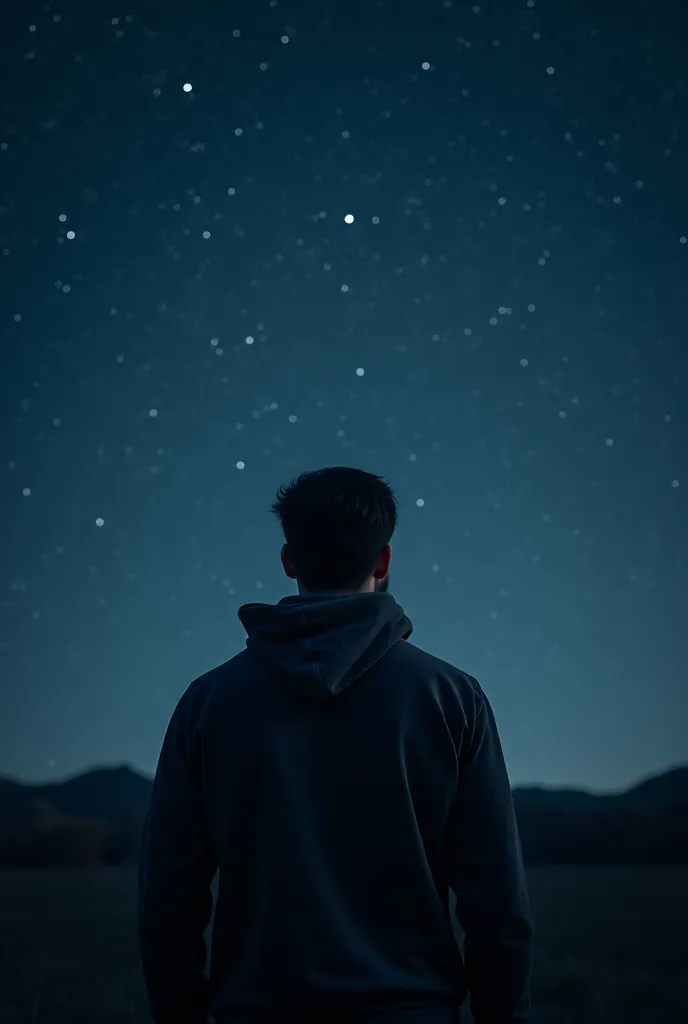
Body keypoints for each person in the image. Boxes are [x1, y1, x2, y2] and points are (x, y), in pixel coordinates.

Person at [138, 466, 534, 1024]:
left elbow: (167, 901)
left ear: (289, 561)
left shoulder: (208, 704)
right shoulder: (451, 698)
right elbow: (498, 904)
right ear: (384, 560)